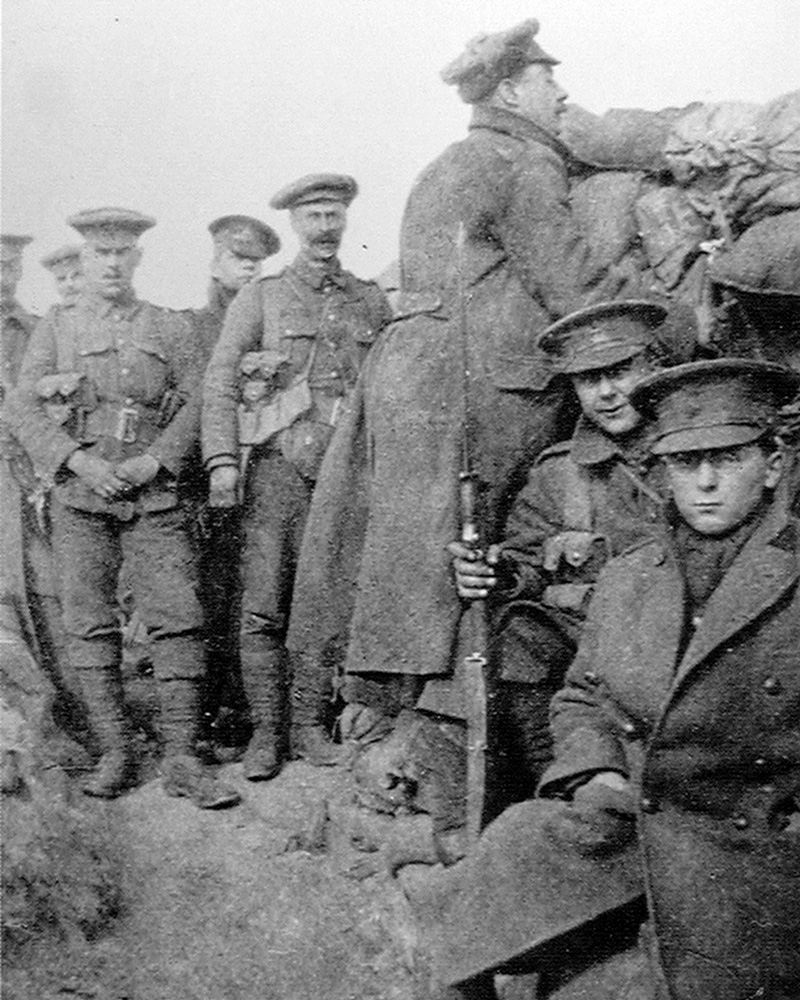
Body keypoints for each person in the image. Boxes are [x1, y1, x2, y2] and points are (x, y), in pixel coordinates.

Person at [286, 18, 627, 752]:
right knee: (487, 551)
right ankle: (462, 726)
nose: (562, 93)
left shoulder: (449, 161)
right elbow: (572, 283)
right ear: (510, 88)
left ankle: (385, 706)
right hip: (485, 389)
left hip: (413, 378)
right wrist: (658, 346)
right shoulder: (522, 164)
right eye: (547, 80)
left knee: (407, 547)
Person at [432, 357, 800, 1000]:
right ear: (665, 470)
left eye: (729, 459)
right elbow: (585, 695)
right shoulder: (635, 574)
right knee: (512, 851)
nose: (707, 483)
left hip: (746, 844)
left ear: (772, 466)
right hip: (630, 819)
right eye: (687, 464)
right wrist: (594, 770)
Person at [337, 300, 688, 872]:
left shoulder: (697, 454)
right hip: (594, 657)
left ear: (656, 362)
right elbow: (526, 561)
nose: (607, 393)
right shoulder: (560, 474)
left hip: (685, 650)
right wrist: (497, 574)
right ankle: (533, 808)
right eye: (588, 379)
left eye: (622, 370)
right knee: (509, 642)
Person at [13, 207, 240, 809]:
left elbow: (196, 404)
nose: (111, 263)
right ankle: (116, 748)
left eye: (122, 253)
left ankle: (182, 754)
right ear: (83, 260)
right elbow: (22, 409)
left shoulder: (167, 326)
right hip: (81, 500)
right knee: (88, 624)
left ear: (137, 259)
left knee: (178, 618)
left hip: (154, 497)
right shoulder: (56, 327)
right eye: (99, 253)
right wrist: (80, 463)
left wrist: (156, 462)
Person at [202, 175, 391, 780]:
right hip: (279, 471)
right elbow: (221, 385)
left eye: (334, 215)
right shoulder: (262, 299)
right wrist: (223, 463)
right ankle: (266, 732)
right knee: (262, 606)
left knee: (325, 602)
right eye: (313, 217)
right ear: (294, 224)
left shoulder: (369, 301)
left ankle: (309, 726)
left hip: (345, 477)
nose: (325, 228)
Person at [190, 215, 280, 752]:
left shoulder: (270, 315)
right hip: (210, 485)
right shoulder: (195, 326)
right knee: (212, 596)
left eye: (254, 261)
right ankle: (206, 711)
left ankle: (252, 708)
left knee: (258, 595)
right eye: (235, 258)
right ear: (215, 262)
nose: (246, 268)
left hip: (262, 477)